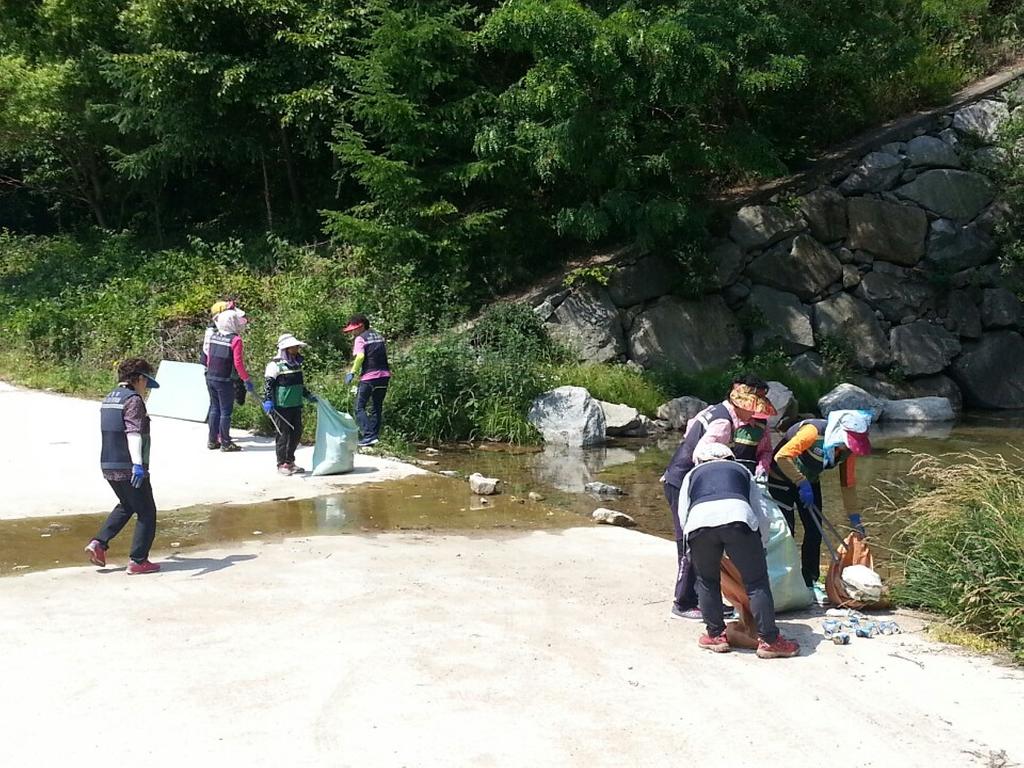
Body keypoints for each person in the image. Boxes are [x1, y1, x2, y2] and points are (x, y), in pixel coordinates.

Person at [662, 375, 776, 620]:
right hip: (685, 482)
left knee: (701, 543)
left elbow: (690, 432)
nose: (752, 417)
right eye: (751, 410)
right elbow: (703, 455)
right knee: (692, 542)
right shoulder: (724, 423)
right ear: (741, 404)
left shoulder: (714, 411)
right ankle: (683, 603)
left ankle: (703, 601)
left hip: (686, 480)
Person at [676, 443, 800, 658]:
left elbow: (683, 513)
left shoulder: (692, 475)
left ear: (700, 461)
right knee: (756, 582)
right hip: (739, 521)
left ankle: (715, 636)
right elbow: (759, 510)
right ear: (730, 458)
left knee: (707, 580)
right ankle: (769, 641)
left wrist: (690, 546)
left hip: (699, 525)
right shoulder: (742, 471)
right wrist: (760, 542)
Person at [766, 409, 873, 601]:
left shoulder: (848, 452)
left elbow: (847, 484)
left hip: (809, 481)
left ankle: (810, 581)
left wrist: (855, 519)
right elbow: (782, 456)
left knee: (815, 531)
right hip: (781, 478)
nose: (849, 447)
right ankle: (782, 582)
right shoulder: (813, 432)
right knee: (786, 532)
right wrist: (800, 482)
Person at [84, 358, 162, 575]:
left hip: (108, 463)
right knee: (147, 512)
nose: (146, 388)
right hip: (129, 466)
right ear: (138, 378)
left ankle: (99, 543)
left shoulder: (110, 398)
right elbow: (134, 433)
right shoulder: (133, 400)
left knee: (127, 504)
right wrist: (137, 465)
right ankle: (138, 560)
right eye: (146, 382)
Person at [263, 333, 318, 476]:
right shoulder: (274, 365)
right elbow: (268, 385)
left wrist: (307, 395)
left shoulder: (296, 364)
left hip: (295, 404)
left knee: (296, 433)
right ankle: (281, 463)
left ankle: (290, 461)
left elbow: (299, 384)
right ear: (286, 348)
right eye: (294, 346)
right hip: (281, 407)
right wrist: (268, 400)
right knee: (283, 435)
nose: (297, 348)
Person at [205, 307, 255, 451]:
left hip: (211, 377)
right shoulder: (235, 340)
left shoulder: (214, 336)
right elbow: (238, 363)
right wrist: (246, 379)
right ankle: (226, 442)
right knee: (226, 411)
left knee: (215, 408)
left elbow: (209, 357)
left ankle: (212, 440)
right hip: (224, 380)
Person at [342, 313, 391, 448]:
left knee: (359, 407)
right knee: (377, 407)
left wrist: (352, 372)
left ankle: (368, 435)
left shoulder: (360, 339)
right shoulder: (378, 336)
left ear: (361, 326)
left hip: (369, 377)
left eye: (354, 329)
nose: (352, 332)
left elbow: (360, 357)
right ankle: (373, 437)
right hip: (385, 376)